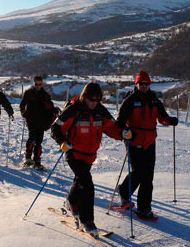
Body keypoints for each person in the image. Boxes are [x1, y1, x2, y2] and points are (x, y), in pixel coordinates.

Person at [51, 82, 132, 237]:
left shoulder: (100, 111)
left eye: (97, 99)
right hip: (73, 153)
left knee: (80, 180)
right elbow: (55, 128)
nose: (94, 102)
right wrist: (62, 141)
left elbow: (111, 127)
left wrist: (122, 133)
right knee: (87, 184)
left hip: (90, 155)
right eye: (91, 99)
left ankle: (71, 201)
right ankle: (87, 220)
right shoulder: (74, 110)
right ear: (84, 96)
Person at [115, 70, 179, 220]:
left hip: (150, 142)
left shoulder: (154, 100)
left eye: (147, 84)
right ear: (136, 84)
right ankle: (124, 193)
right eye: (141, 83)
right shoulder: (130, 100)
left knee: (148, 177)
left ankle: (144, 208)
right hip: (133, 141)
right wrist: (128, 132)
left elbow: (162, 117)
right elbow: (120, 122)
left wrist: (170, 121)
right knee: (138, 173)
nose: (144, 86)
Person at [19, 75, 56, 169]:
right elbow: (22, 105)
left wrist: (52, 109)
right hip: (31, 119)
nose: (38, 86)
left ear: (42, 83)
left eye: (40, 84)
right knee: (32, 136)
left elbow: (51, 106)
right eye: (36, 84)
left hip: (42, 121)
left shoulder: (45, 95)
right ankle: (28, 158)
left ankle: (37, 160)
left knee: (39, 141)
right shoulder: (28, 93)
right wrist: (24, 113)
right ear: (33, 83)